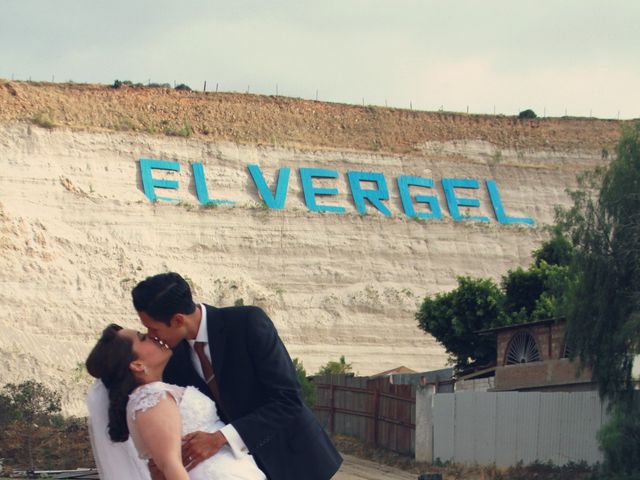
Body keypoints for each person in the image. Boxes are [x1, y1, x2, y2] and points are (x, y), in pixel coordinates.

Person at [131, 272, 342, 480]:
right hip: (238, 469)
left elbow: (288, 399)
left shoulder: (247, 323)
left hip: (295, 459)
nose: (152, 336)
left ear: (178, 320)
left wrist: (221, 438)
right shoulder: (172, 358)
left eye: (153, 329)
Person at [86, 323, 267, 480]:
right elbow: (170, 466)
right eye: (142, 338)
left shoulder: (155, 393)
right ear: (137, 365)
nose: (151, 336)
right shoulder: (151, 397)